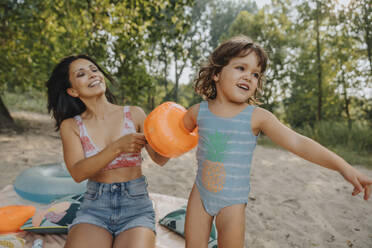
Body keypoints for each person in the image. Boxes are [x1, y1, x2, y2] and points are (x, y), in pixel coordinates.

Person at [182, 36, 372, 248]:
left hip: (232, 204)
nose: (249, 77)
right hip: (200, 196)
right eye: (240, 68)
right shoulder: (198, 112)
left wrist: (343, 167)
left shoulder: (257, 117)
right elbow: (169, 139)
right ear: (216, 73)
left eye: (255, 74)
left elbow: (299, 143)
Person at [46, 54, 169, 248]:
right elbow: (78, 173)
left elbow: (160, 158)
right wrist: (118, 147)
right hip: (94, 208)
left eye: (94, 69)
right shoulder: (71, 126)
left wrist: (175, 135)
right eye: (81, 74)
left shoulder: (134, 114)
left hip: (136, 206)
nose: (92, 74)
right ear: (72, 90)